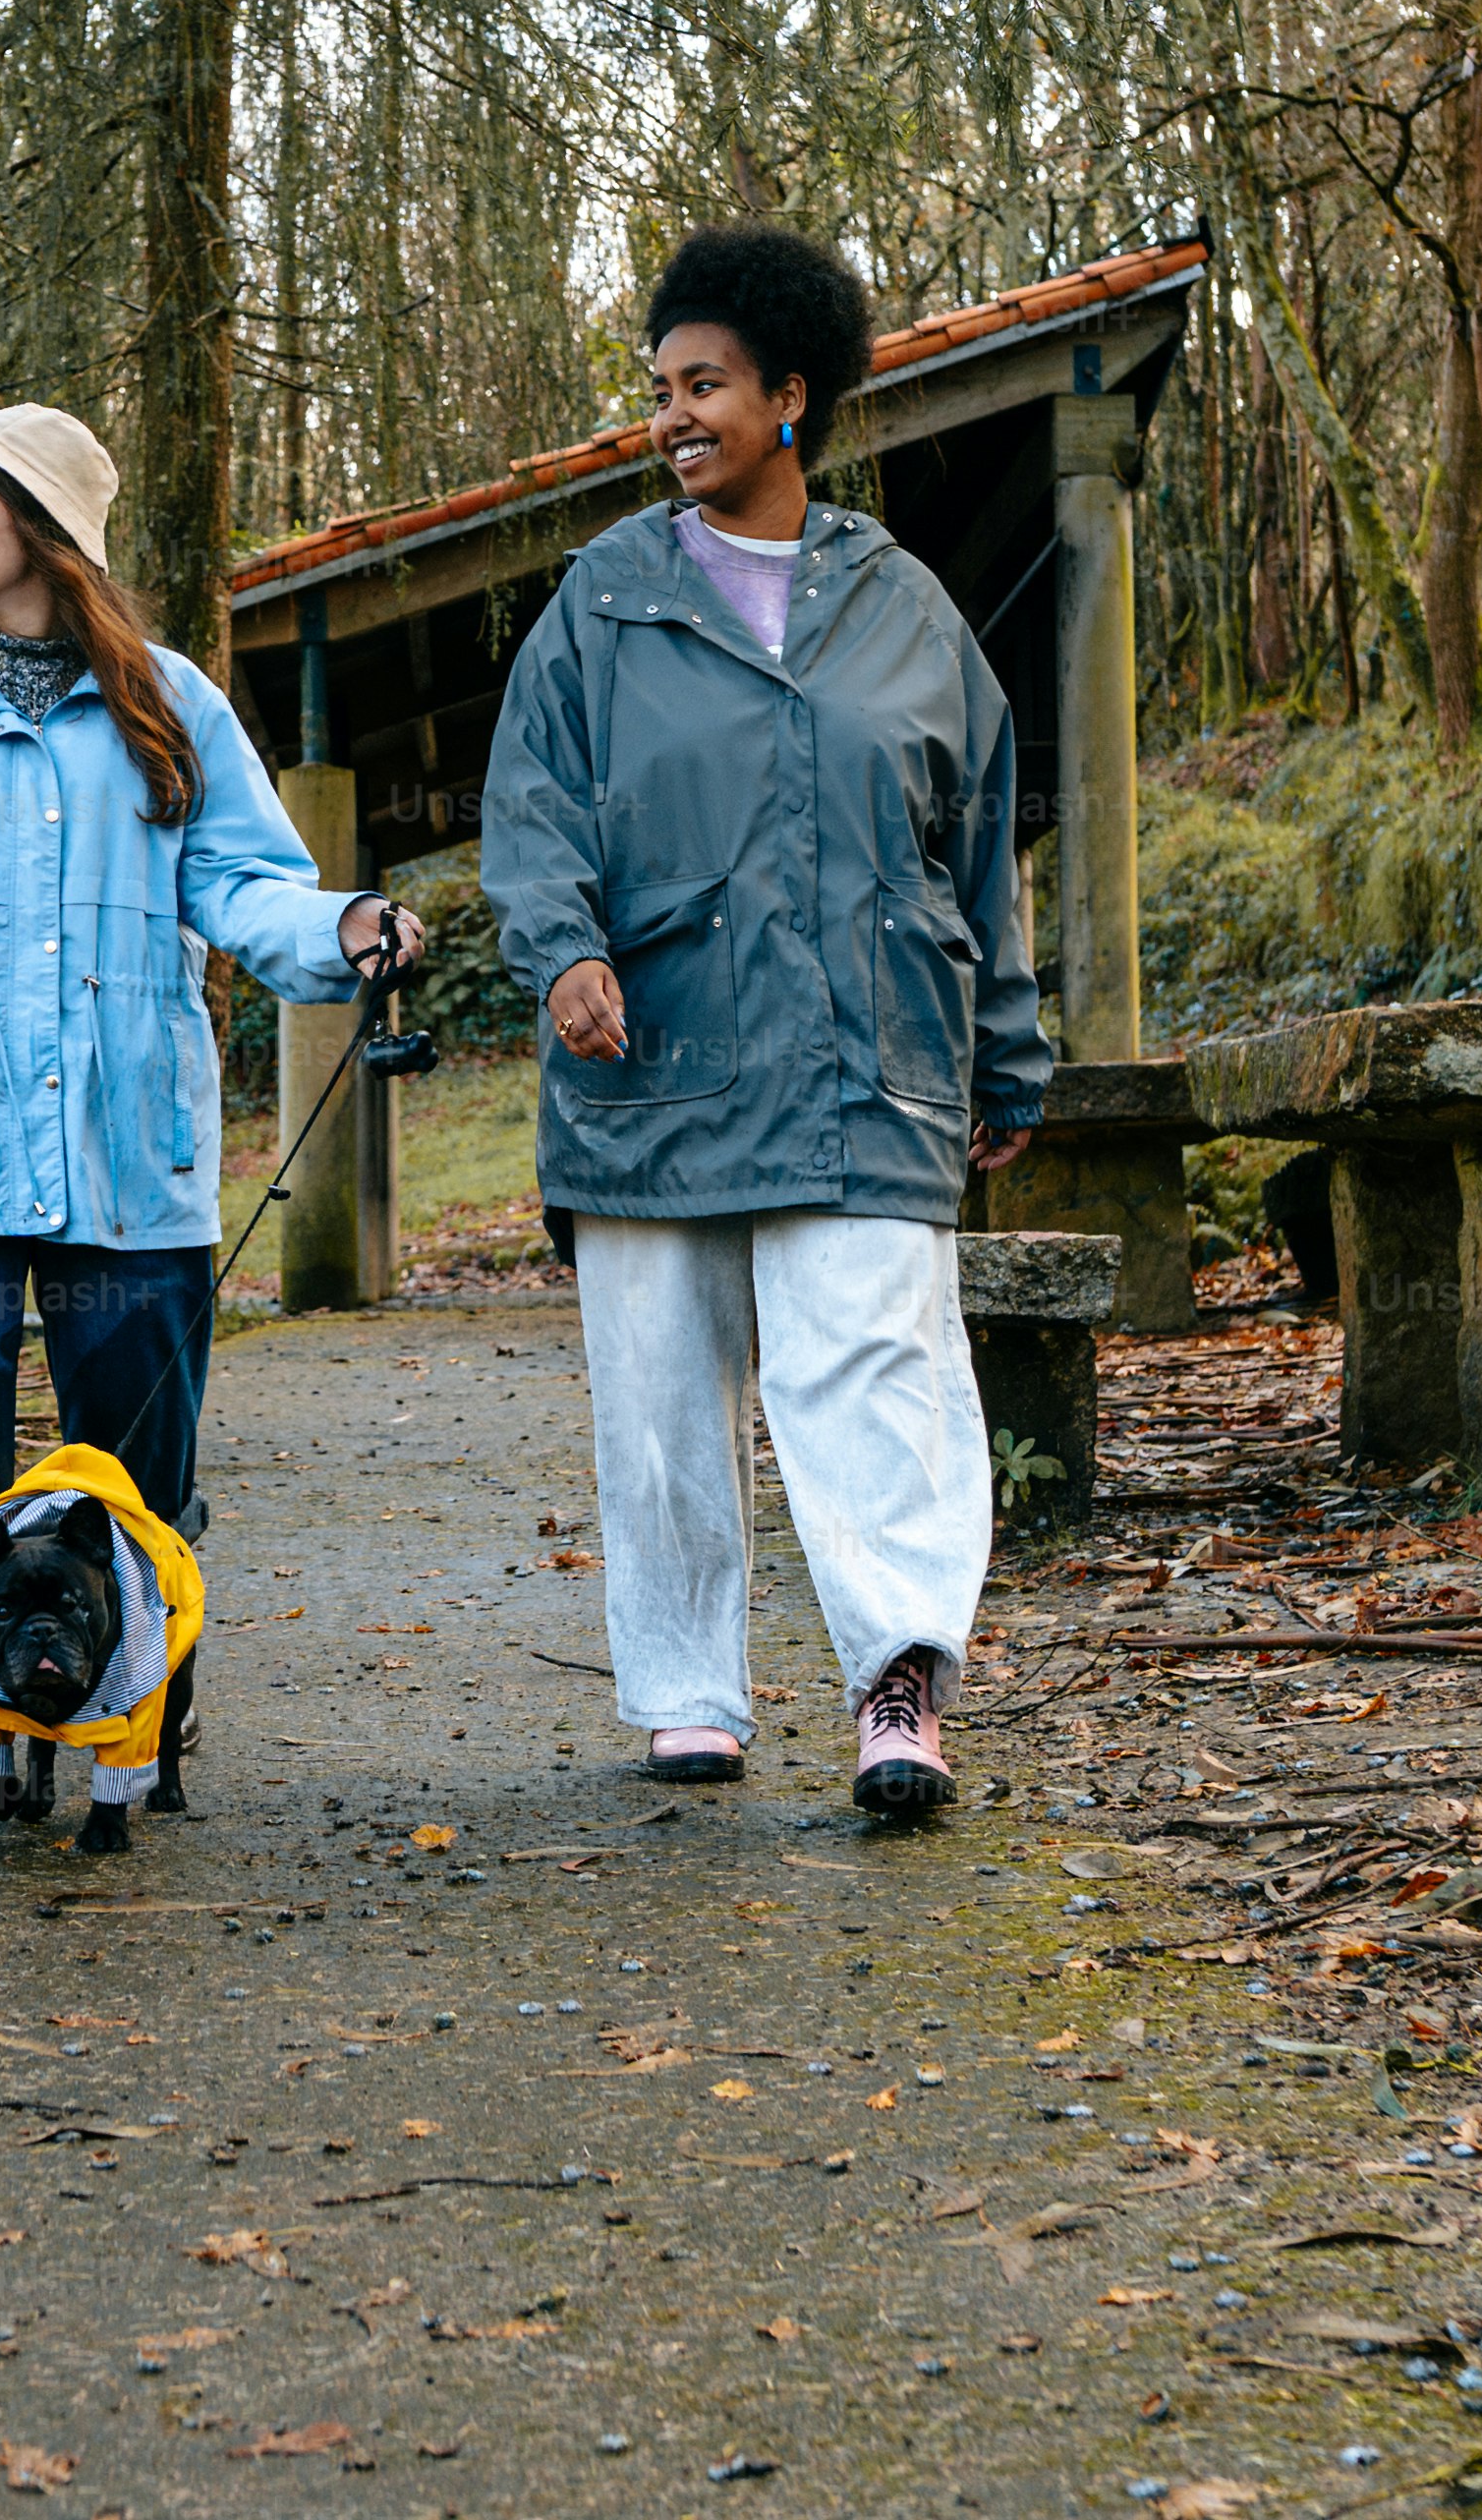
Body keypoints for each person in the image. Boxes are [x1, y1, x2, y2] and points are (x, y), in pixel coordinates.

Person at [480, 228, 1049, 1817]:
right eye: (658, 389)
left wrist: (1010, 1043)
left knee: (873, 1370)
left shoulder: (905, 609)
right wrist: (560, 953)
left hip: (871, 1061)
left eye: (705, 383)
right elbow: (531, 808)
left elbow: (981, 835)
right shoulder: (603, 602)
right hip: (650, 1063)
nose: (672, 414)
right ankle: (687, 1691)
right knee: (661, 1400)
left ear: (791, 396)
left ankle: (899, 1678)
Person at [0, 401, 423, 1804]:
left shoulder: (168, 700)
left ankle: (141, 1709)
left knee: (135, 1469)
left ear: (43, 522)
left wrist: (346, 928)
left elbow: (244, 885)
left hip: (130, 1150)